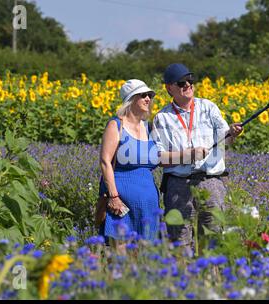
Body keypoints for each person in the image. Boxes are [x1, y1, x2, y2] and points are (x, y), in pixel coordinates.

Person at [152, 63, 243, 254]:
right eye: (182, 82)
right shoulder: (162, 118)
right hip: (178, 184)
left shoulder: (209, 107)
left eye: (191, 81)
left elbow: (226, 142)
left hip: (210, 182)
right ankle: (184, 280)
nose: (188, 85)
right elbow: (159, 158)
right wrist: (189, 155)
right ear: (169, 88)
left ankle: (212, 280)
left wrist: (232, 133)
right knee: (179, 240)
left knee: (212, 238)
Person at [99, 79, 160, 253]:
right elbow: (105, 161)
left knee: (145, 259)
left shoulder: (148, 128)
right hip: (122, 204)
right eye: (143, 95)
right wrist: (114, 196)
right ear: (131, 99)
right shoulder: (116, 125)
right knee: (121, 259)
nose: (148, 98)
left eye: (150, 95)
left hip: (147, 205)